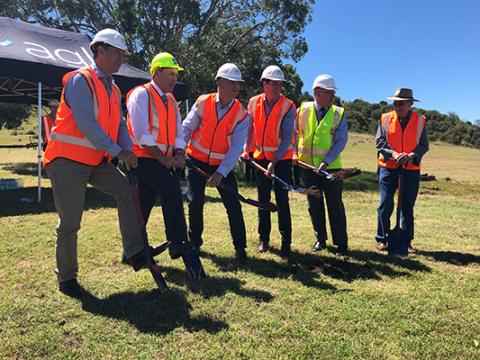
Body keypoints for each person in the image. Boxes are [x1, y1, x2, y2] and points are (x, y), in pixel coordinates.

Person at [43, 29, 150, 296]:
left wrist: (127, 149)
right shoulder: (81, 80)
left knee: (125, 190)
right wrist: (118, 152)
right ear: (99, 51)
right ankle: (67, 277)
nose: (120, 59)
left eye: (123, 55)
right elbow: (87, 124)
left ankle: (135, 252)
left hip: (95, 160)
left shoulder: (113, 88)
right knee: (71, 220)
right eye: (117, 53)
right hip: (67, 160)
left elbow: (120, 125)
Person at [126, 52, 191, 259]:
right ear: (156, 73)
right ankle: (177, 241)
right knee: (171, 187)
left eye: (176, 74)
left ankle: (132, 252)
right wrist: (162, 157)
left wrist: (180, 152)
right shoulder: (141, 94)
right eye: (170, 73)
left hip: (161, 159)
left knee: (144, 201)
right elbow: (140, 132)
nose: (174, 79)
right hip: (142, 157)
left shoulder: (171, 101)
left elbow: (179, 132)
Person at [182, 63, 249, 263]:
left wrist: (221, 171)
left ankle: (240, 247)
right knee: (195, 203)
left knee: (233, 205)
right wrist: (178, 150)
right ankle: (194, 243)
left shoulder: (241, 113)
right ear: (219, 82)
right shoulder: (203, 102)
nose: (236, 87)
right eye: (231, 82)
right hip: (196, 161)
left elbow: (237, 147)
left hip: (223, 165)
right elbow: (186, 128)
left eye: (238, 84)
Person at [244, 65, 295, 259]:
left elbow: (287, 135)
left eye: (279, 84)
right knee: (262, 200)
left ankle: (285, 243)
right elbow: (249, 129)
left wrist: (274, 161)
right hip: (260, 157)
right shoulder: (253, 102)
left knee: (282, 200)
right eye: (273, 84)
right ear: (263, 84)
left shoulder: (288, 106)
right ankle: (263, 239)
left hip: (281, 160)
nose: (277, 87)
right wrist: (246, 150)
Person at [295, 74, 349, 255]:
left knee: (335, 205)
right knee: (314, 204)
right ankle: (321, 240)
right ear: (317, 93)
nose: (333, 97)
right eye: (329, 93)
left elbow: (341, 141)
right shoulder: (303, 109)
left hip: (331, 168)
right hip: (307, 167)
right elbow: (294, 133)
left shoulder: (338, 113)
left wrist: (326, 161)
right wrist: (294, 154)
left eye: (333, 93)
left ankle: (341, 244)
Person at [375, 88, 429, 253]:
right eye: (395, 103)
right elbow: (379, 142)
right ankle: (382, 238)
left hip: (411, 168)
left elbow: (424, 145)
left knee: (407, 206)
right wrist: (394, 154)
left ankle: (406, 240)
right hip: (388, 168)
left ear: (410, 103)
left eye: (401, 103)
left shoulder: (420, 120)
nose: (398, 106)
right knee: (385, 204)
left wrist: (412, 155)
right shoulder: (385, 118)